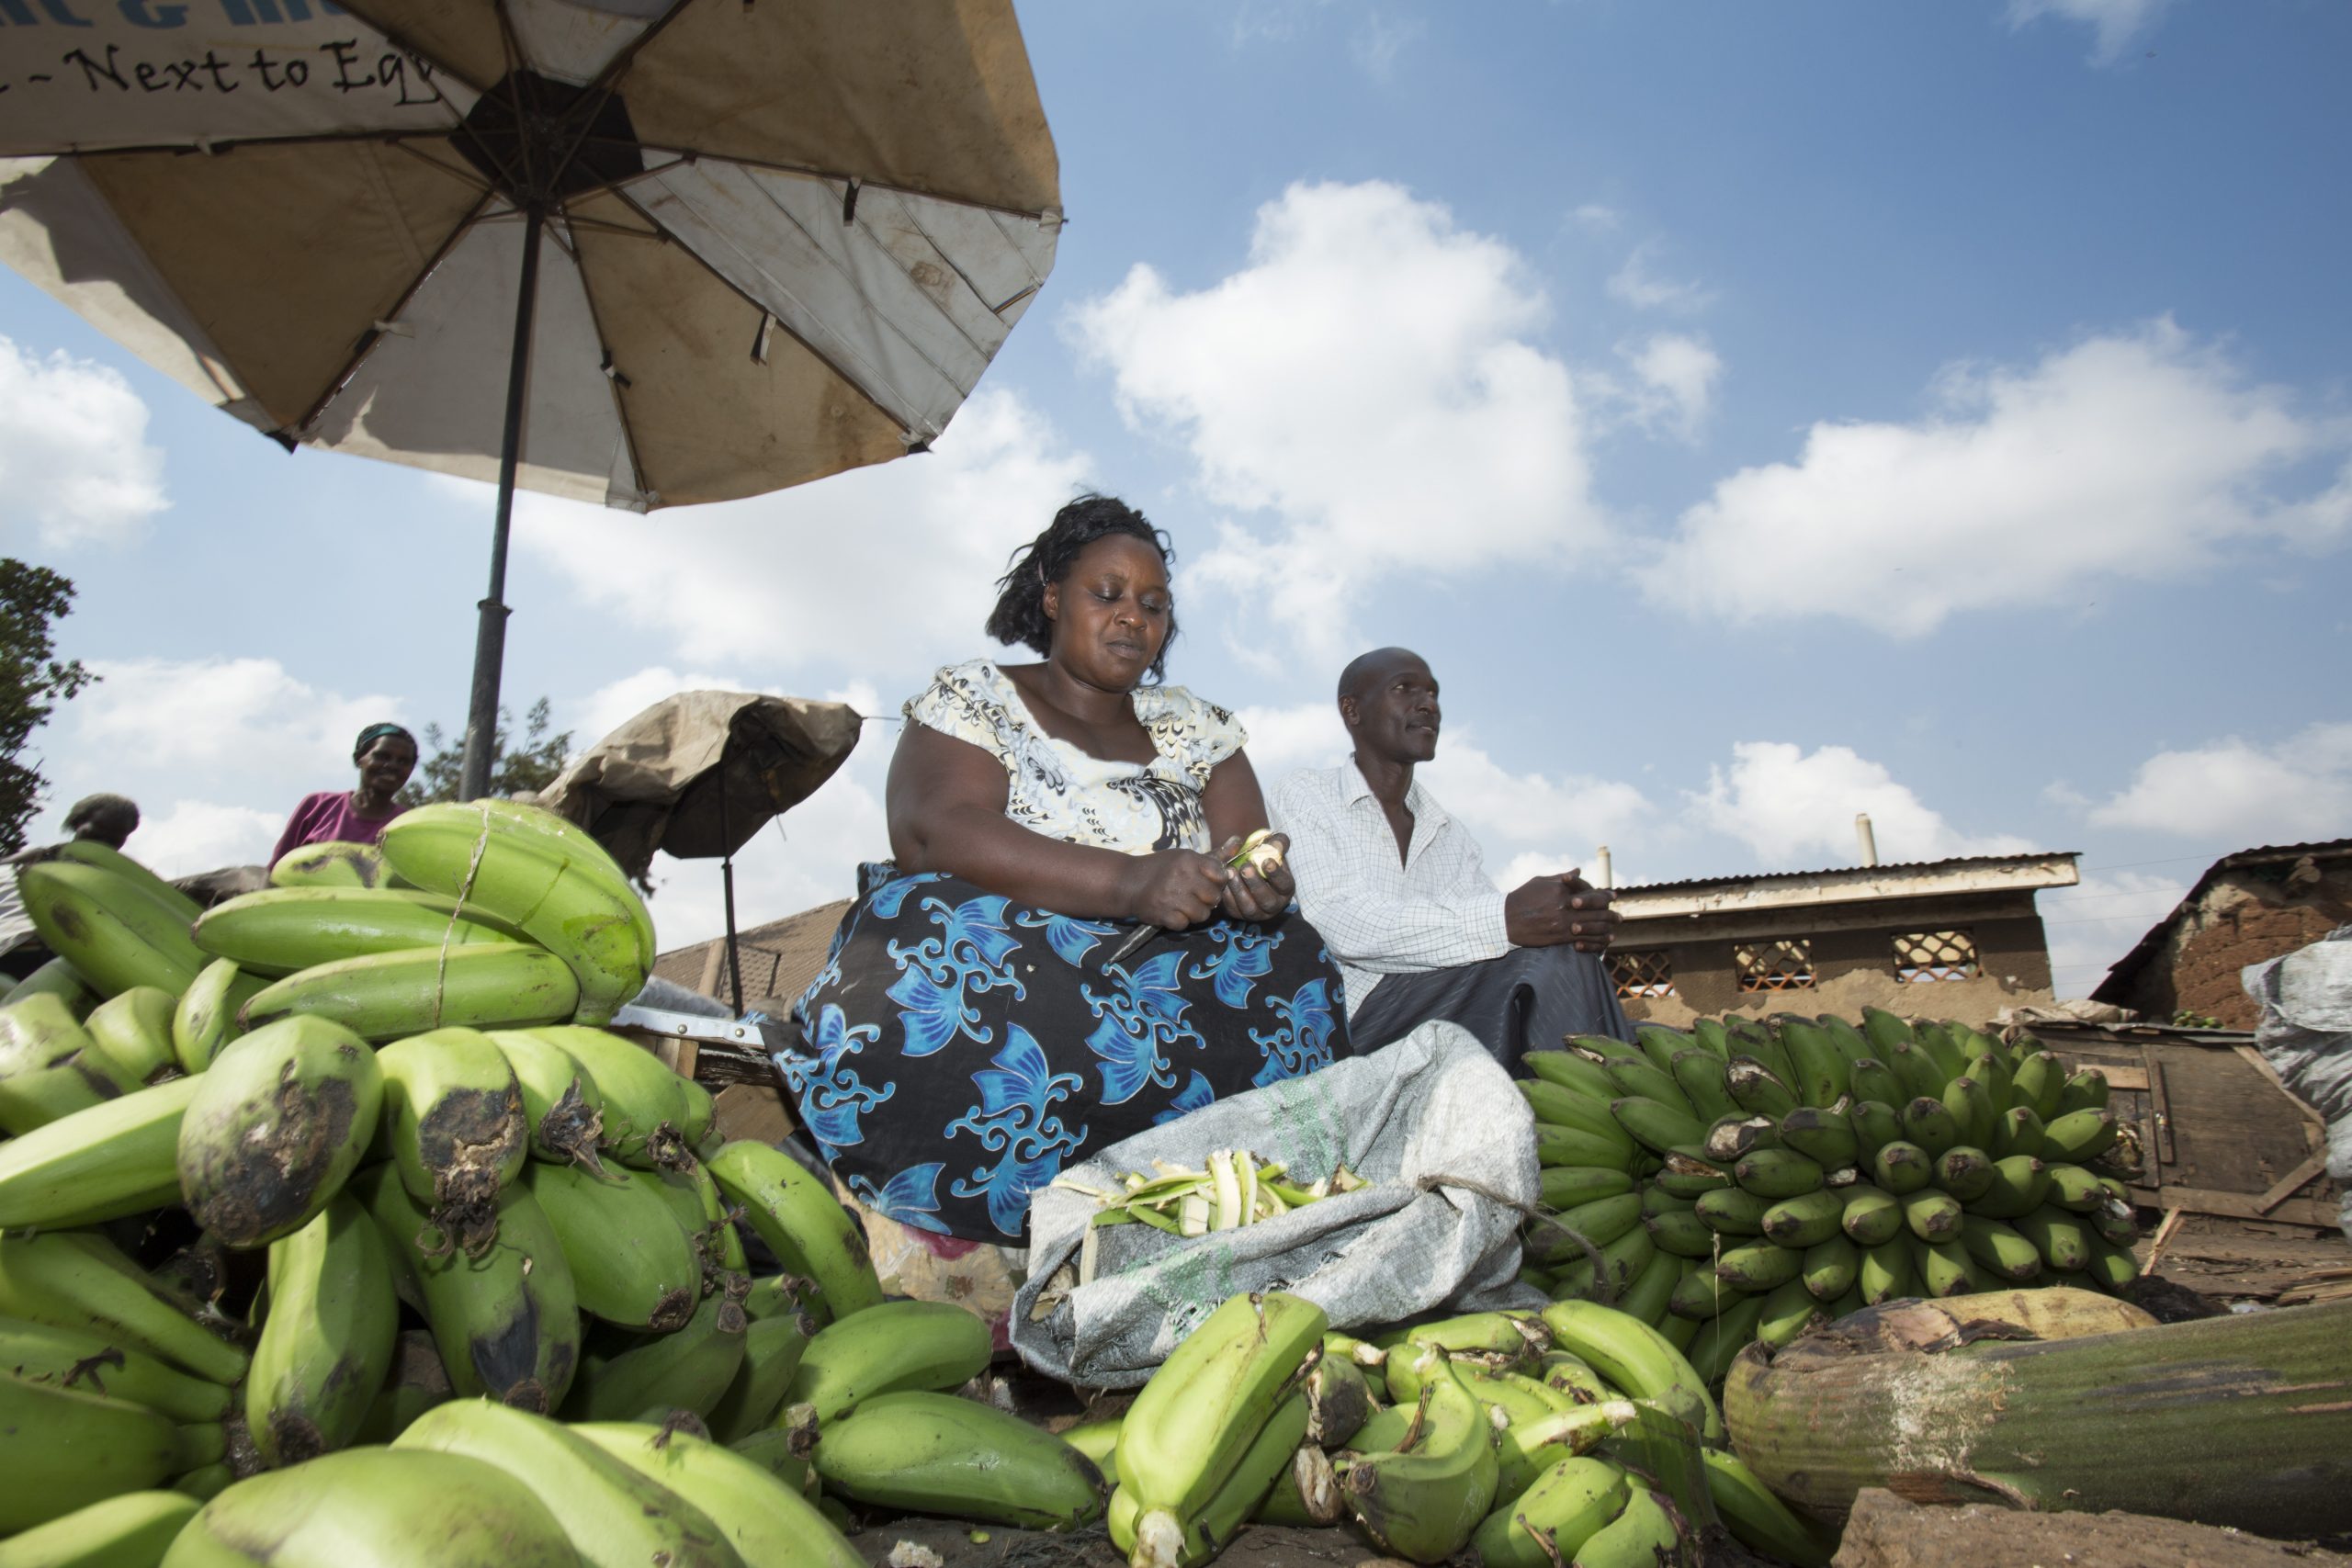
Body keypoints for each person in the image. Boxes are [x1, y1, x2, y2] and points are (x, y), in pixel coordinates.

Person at [786, 495, 1351, 1244]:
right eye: (1107, 593)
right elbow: (933, 830)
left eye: (1153, 604)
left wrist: (1256, 885)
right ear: (1052, 595)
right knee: (923, 923)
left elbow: (1248, 843)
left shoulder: (1198, 727)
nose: (1132, 617)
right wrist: (1127, 883)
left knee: (1295, 956)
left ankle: (1218, 1192)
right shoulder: (977, 697)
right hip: (1013, 964)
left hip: (1170, 979)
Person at [1268, 647, 1632, 1071]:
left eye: (1434, 693)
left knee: (1564, 957)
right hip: (1348, 1023)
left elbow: (1504, 941)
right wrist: (1508, 916)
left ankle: (1590, 1121)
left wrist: (1568, 923)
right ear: (1352, 710)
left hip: (1443, 1003)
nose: (1428, 705)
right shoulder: (1304, 794)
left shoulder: (1450, 833)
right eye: (1404, 688)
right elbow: (1339, 923)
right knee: (1538, 961)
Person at [267, 723, 418, 868]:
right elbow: (277, 869)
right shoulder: (318, 806)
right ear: (359, 759)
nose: (392, 765)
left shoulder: (409, 825)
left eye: (403, 761)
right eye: (382, 756)